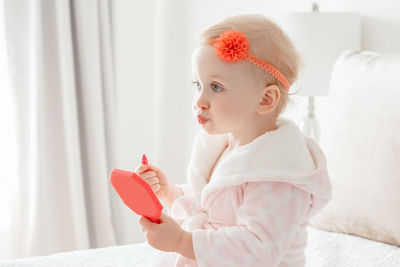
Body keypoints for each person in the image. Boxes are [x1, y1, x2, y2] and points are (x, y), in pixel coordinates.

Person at [136, 13, 332, 267]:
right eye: (198, 85)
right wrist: (170, 193)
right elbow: (211, 207)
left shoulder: (278, 174)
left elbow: (259, 248)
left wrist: (182, 242)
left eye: (215, 87)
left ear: (265, 100)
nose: (199, 101)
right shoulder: (222, 148)